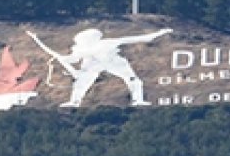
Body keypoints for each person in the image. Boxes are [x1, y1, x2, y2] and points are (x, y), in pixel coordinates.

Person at [33, 27, 172, 107]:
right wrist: (44, 46)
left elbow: (139, 38)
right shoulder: (84, 50)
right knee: (81, 84)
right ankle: (74, 101)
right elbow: (69, 59)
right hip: (94, 64)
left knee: (134, 81)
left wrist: (159, 33)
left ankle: (138, 100)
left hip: (115, 62)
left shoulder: (107, 44)